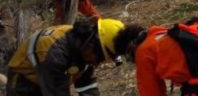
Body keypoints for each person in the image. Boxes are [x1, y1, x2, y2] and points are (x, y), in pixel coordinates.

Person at [6, 18, 137, 96]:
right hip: (24, 84)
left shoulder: (84, 49)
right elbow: (57, 93)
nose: (96, 64)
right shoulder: (55, 54)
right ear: (91, 43)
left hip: (50, 80)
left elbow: (87, 86)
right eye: (100, 58)